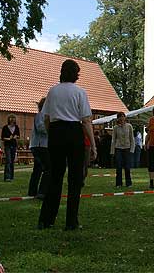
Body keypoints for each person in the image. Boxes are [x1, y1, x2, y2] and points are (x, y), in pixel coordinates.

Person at [38, 59, 97, 231]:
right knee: (75, 179)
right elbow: (86, 120)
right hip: (74, 132)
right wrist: (93, 145)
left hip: (56, 132)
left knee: (55, 177)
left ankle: (46, 220)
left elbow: (46, 118)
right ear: (76, 74)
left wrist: (52, 135)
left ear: (61, 72)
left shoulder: (53, 91)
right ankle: (71, 222)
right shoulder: (80, 92)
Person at [28, 98, 51, 200]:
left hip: (39, 146)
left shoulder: (43, 115)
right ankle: (42, 192)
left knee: (37, 169)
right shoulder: (41, 115)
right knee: (48, 168)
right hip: (40, 146)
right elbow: (41, 128)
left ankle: (32, 191)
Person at [111, 112, 135, 188]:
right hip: (118, 148)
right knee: (118, 166)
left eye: (123, 116)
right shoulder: (115, 127)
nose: (121, 118)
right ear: (118, 118)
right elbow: (113, 140)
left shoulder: (129, 126)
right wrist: (112, 151)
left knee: (127, 167)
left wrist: (132, 149)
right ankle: (118, 183)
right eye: (120, 117)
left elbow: (132, 138)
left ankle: (129, 183)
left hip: (127, 148)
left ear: (125, 118)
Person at [1, 115, 20, 182]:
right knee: (8, 160)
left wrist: (15, 137)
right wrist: (9, 138)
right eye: (11, 119)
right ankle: (7, 177)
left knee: (12, 161)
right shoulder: (5, 127)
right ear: (9, 119)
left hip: (13, 145)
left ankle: (11, 176)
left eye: (14, 119)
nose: (12, 120)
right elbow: (2, 137)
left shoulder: (16, 127)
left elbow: (18, 136)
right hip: (7, 145)